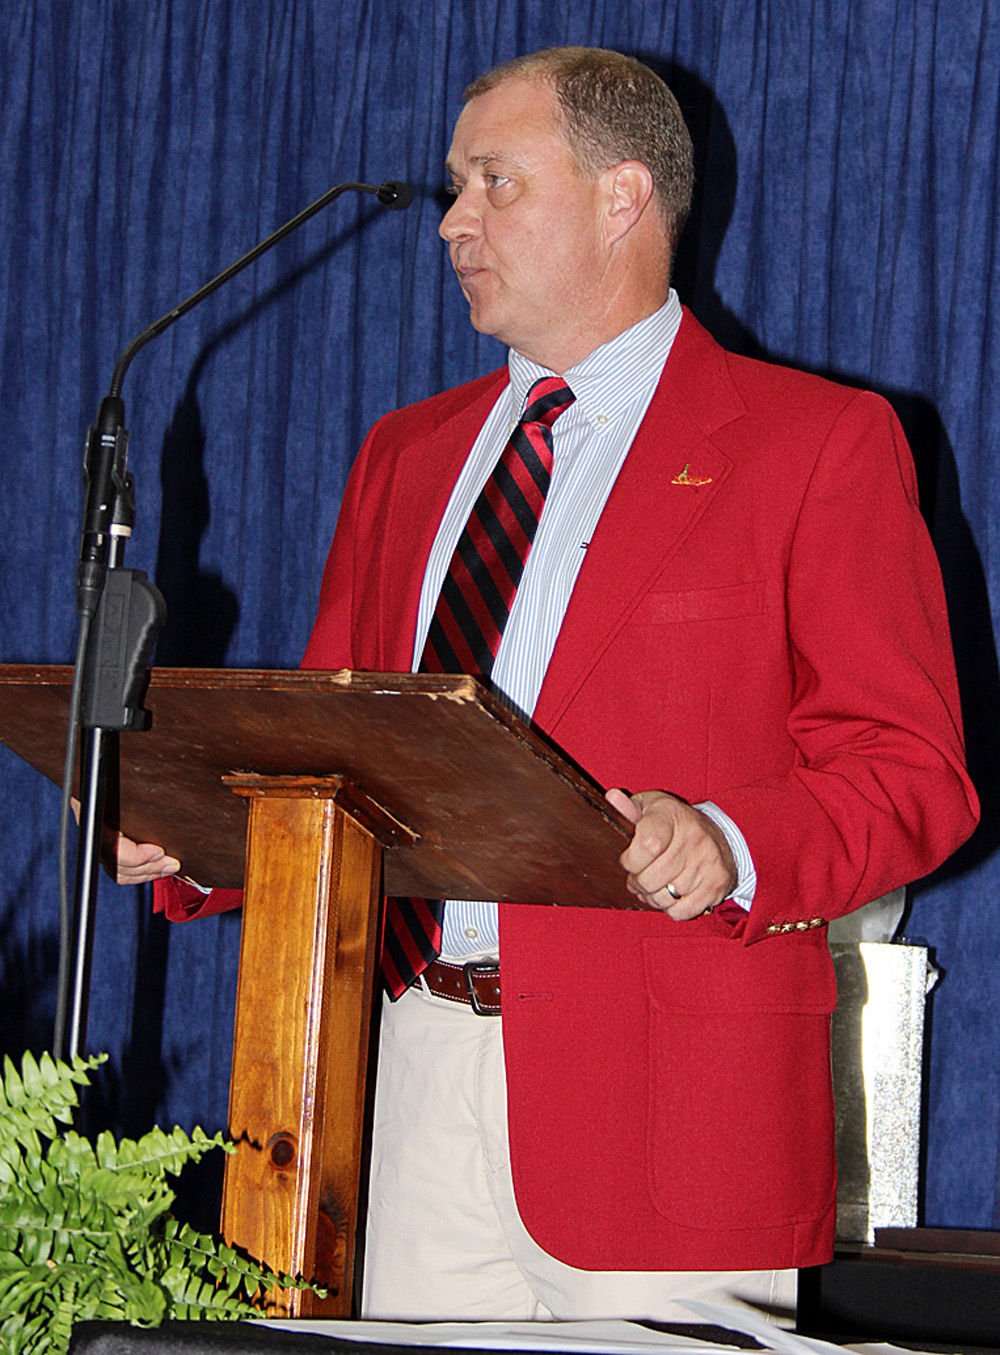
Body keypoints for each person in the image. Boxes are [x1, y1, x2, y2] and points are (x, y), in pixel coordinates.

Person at [120, 47, 977, 1325]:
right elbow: (333, 748)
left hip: (671, 1107)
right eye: (456, 185)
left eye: (494, 183)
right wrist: (199, 835)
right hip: (402, 1082)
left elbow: (914, 772)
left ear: (624, 195)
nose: (454, 220)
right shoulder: (403, 456)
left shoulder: (817, 445)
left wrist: (732, 840)